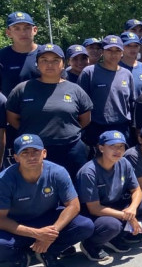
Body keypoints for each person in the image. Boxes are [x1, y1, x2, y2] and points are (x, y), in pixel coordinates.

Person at [0, 134, 96, 267]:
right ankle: (19, 259)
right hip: (16, 224)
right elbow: (1, 218)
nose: (31, 156)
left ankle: (49, 252)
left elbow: (73, 205)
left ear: (44, 153)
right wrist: (37, 233)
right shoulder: (4, 179)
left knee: (85, 226)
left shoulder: (57, 172)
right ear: (16, 157)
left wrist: (51, 233)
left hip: (47, 218)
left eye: (35, 151)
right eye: (25, 153)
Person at [6, 44, 92, 177]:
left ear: (63, 64)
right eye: (44, 60)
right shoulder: (22, 89)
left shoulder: (75, 90)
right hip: (35, 152)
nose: (49, 64)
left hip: (71, 149)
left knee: (75, 190)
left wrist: (66, 131)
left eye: (55, 60)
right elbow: (12, 118)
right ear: (37, 64)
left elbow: (85, 119)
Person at [76, 130, 142, 257]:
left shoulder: (124, 162)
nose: (118, 150)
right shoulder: (89, 172)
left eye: (121, 146)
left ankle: (117, 238)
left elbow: (137, 190)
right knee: (112, 225)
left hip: (117, 204)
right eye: (112, 147)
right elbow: (94, 208)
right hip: (96, 213)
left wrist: (132, 208)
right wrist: (126, 216)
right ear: (101, 148)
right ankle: (91, 244)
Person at [78, 35, 135, 148]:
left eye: (117, 50)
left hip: (122, 127)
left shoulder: (127, 74)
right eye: (109, 50)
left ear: (122, 52)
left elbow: (131, 102)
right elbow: (80, 103)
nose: (113, 54)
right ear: (102, 52)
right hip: (96, 128)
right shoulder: (89, 72)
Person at [1, 12, 41, 97]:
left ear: (35, 30)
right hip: (10, 109)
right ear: (8, 33)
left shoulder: (46, 54)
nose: (23, 33)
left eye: (27, 28)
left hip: (44, 109)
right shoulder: (2, 57)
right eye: (17, 29)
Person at [119, 31, 142, 99]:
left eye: (136, 46)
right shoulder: (115, 67)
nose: (132, 49)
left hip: (141, 109)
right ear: (121, 47)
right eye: (128, 45)